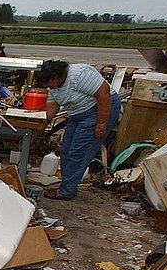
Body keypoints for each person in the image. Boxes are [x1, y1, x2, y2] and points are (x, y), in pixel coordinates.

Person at [36, 60, 121, 200]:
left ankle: (66, 191)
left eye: (47, 83)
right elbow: (51, 108)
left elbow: (104, 94)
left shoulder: (79, 75)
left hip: (100, 109)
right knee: (66, 150)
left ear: (56, 77)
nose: (47, 86)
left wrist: (101, 123)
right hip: (77, 113)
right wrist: (40, 127)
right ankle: (68, 185)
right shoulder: (54, 87)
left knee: (79, 152)